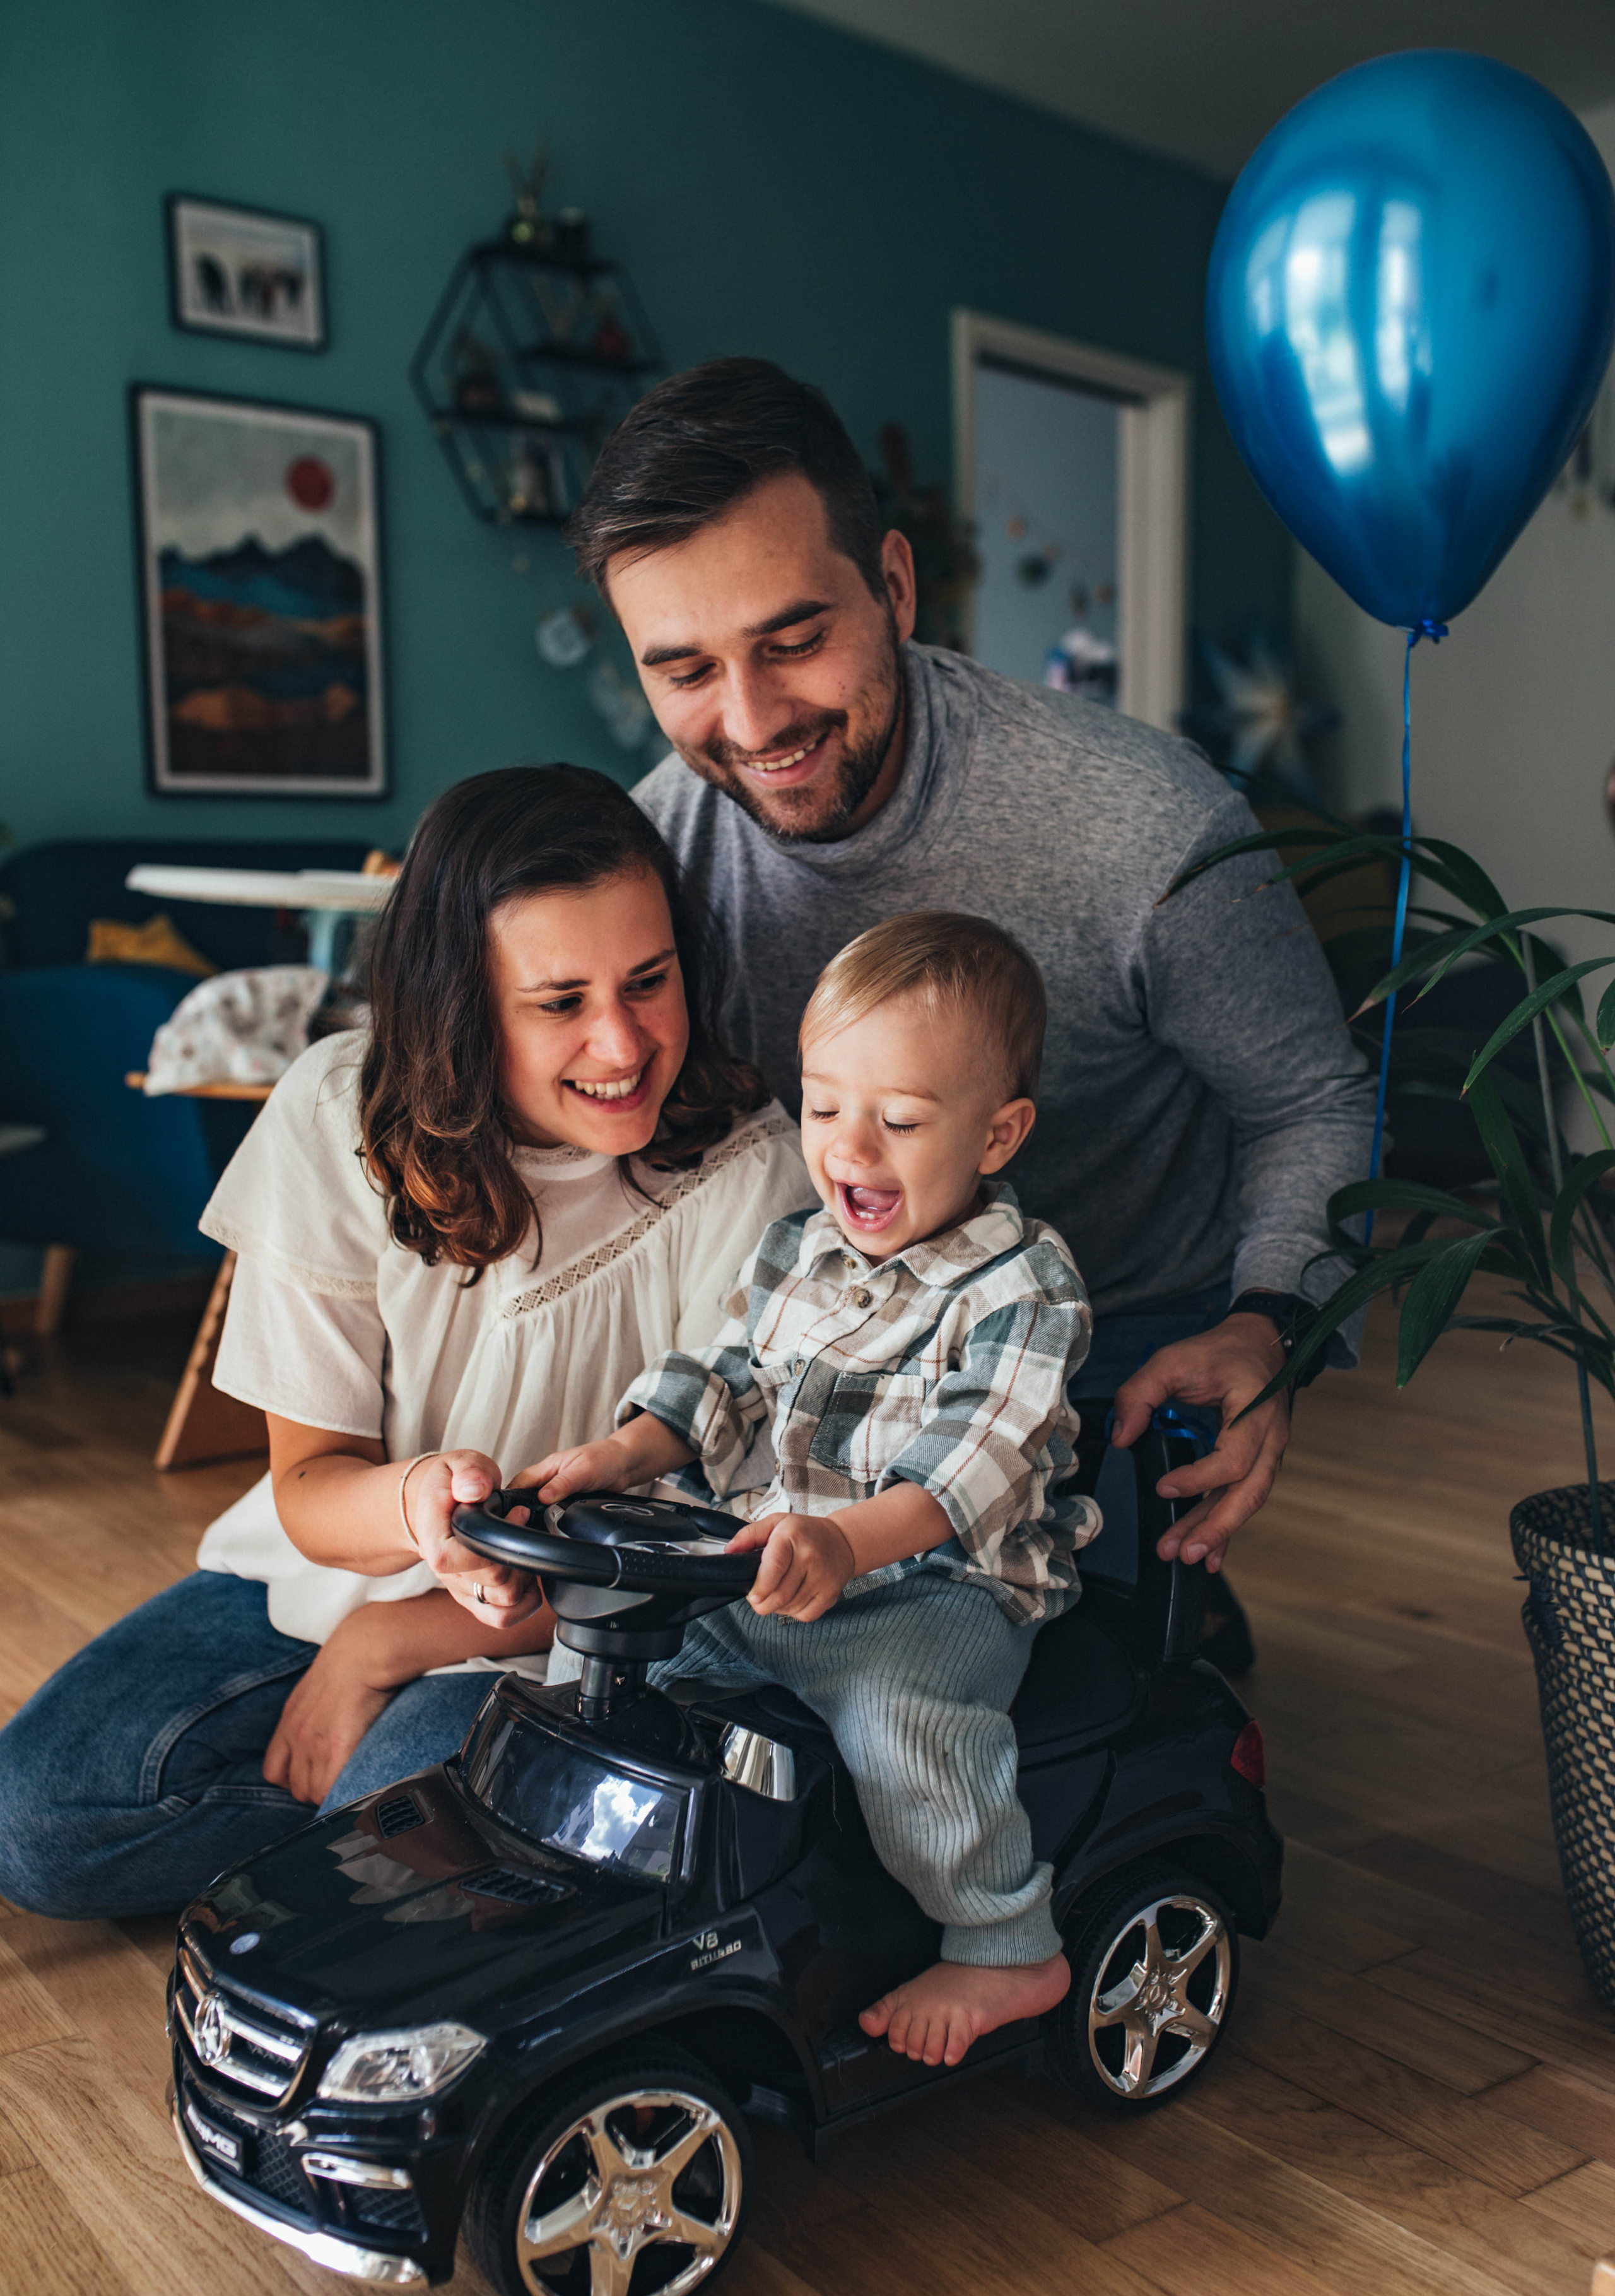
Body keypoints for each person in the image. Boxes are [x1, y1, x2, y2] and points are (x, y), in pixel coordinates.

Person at [565, 358, 1379, 1662]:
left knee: (1087, 1711)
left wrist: (1265, 1324)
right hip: (822, 1338)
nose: (752, 719)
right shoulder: (656, 850)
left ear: (892, 584)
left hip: (1113, 1364)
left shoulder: (1145, 827)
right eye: (685, 672)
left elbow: (1309, 1099)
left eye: (792, 641)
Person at [0, 767, 811, 1918]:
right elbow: (310, 1487)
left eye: (649, 980)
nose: (622, 1043)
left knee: (385, 1865)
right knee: (39, 1824)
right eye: (559, 1001)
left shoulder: (746, 1170)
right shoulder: (340, 1114)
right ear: (463, 1006)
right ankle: (387, 1852)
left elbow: (689, 1567)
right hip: (338, 1571)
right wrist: (420, 1501)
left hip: (586, 1640)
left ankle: (367, 1847)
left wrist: (384, 1648)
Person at [513, 914, 1096, 2068]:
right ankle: (590, 1877)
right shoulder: (795, 1249)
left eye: (903, 1120)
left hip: (933, 1590)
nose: (852, 1150)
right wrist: (621, 1454)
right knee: (615, 1661)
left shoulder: (1025, 1286)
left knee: (901, 1725)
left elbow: (970, 1464)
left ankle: (1004, 1944)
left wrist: (843, 1547)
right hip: (766, 1561)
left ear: (998, 1133)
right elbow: (725, 1378)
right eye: (826, 1109)